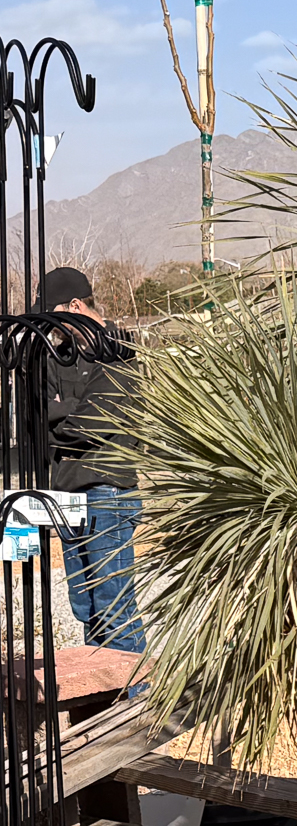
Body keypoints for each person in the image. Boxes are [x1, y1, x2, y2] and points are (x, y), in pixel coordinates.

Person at [39, 266, 146, 654]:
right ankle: (101, 702)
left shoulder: (119, 348)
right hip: (66, 493)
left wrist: (61, 412)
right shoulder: (56, 355)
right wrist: (67, 411)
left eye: (53, 315)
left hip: (108, 492)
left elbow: (96, 420)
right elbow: (34, 414)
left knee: (114, 607)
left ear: (75, 306)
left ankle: (137, 707)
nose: (49, 327)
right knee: (85, 607)